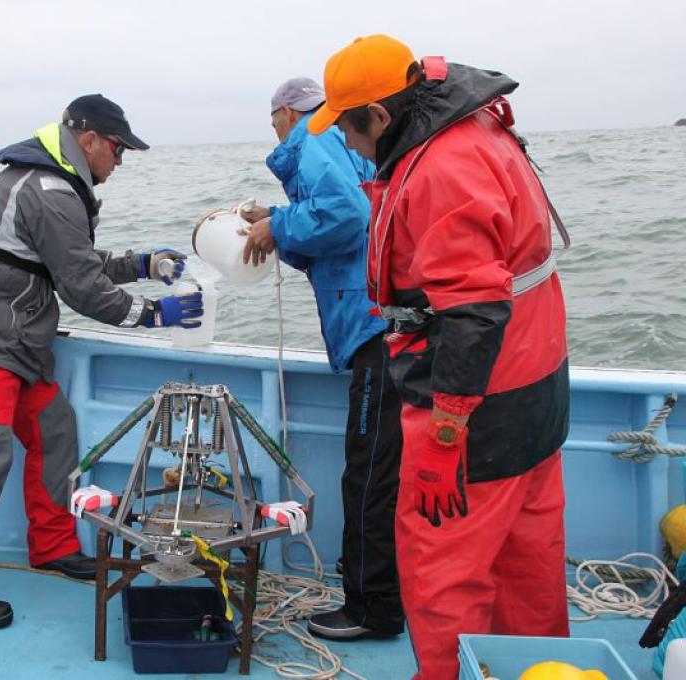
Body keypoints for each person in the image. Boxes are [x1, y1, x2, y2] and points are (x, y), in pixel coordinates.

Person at [308, 35, 571, 679]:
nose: (348, 141)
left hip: (477, 409)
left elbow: (474, 311)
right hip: (536, 390)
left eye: (348, 124)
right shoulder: (477, 128)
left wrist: (448, 432)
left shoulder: (441, 168)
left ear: (379, 113)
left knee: (443, 570)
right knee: (528, 563)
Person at [0, 94, 203, 631]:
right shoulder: (49, 189)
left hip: (13, 339)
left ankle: (51, 545)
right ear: (88, 139)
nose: (120, 161)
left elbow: (68, 261)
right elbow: (83, 289)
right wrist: (158, 315)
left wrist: (143, 263)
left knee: (54, 428)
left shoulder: (50, 180)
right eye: (117, 149)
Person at [240, 77, 404, 641]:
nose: (279, 129)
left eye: (276, 120)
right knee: (384, 472)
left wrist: (276, 225)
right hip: (390, 323)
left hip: (372, 329)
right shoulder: (344, 141)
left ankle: (371, 609)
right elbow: (349, 225)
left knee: (368, 475)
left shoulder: (310, 141)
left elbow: (348, 218)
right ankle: (383, 594)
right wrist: (277, 222)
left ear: (284, 112)